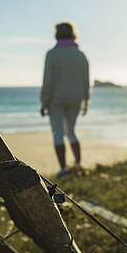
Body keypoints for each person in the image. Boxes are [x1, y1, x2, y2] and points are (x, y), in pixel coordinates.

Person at [40, 21, 90, 178]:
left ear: (57, 34)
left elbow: (47, 82)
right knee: (71, 132)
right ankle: (78, 164)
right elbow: (86, 82)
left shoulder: (52, 54)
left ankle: (63, 169)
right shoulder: (81, 55)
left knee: (58, 133)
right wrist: (85, 101)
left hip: (56, 99)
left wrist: (44, 102)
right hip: (75, 98)